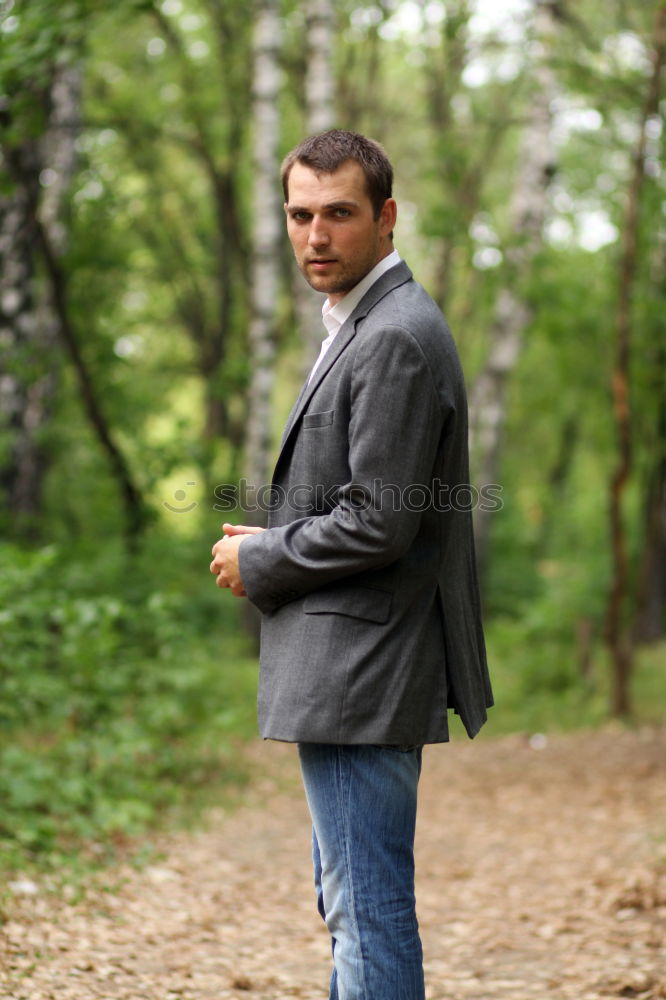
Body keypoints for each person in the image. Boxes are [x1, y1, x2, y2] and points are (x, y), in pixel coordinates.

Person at [210, 129, 492, 1000]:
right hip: (355, 667)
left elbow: (380, 521)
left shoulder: (394, 337)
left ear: (387, 217)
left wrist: (262, 557)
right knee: (352, 907)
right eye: (300, 215)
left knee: (366, 913)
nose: (316, 236)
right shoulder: (363, 324)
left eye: (339, 213)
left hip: (361, 670)